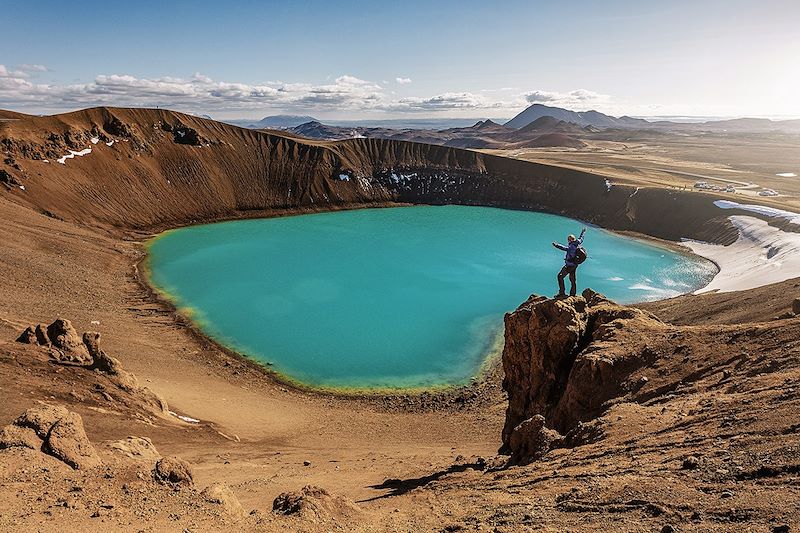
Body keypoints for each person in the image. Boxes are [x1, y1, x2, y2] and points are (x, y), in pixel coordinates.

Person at [552, 227, 586, 298]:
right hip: (575, 265)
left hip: (569, 265)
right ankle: (572, 295)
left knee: (560, 276)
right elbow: (581, 237)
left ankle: (562, 293)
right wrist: (583, 231)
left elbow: (564, 248)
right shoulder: (578, 242)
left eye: (568, 240)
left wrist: (556, 245)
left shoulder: (571, 247)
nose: (568, 241)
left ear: (570, 240)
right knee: (572, 280)